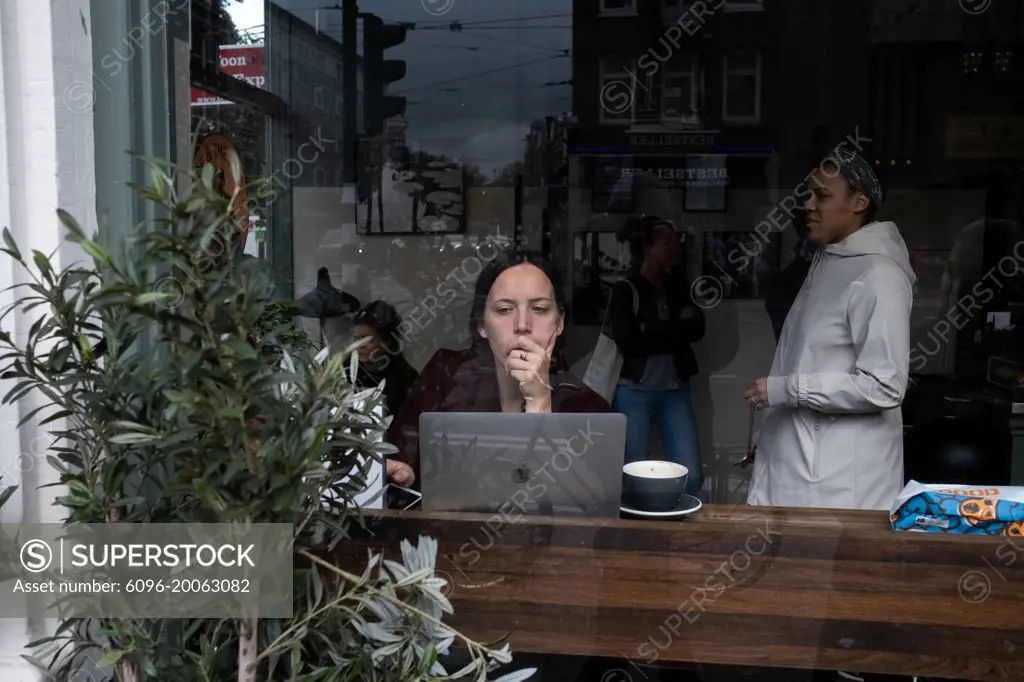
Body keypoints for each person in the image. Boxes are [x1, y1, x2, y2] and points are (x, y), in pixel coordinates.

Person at [743, 148, 916, 512]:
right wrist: (772, 433)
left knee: (825, 569)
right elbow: (811, 357)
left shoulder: (878, 275)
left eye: (822, 195)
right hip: (803, 466)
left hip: (839, 483)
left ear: (859, 202)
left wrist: (785, 390)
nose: (807, 204)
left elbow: (885, 385)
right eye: (808, 194)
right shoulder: (830, 262)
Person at [384, 251, 609, 488]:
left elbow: (582, 503)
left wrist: (540, 402)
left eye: (540, 309)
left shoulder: (588, 409)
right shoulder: (446, 376)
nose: (522, 325)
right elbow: (400, 458)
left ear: (559, 323)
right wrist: (406, 477)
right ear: (482, 325)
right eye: (504, 310)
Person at [607, 215, 706, 499]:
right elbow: (631, 343)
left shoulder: (678, 286)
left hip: (675, 391)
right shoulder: (625, 290)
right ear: (648, 249)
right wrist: (677, 329)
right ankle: (632, 534)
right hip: (633, 391)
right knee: (631, 473)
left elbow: (698, 329)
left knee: (692, 474)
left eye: (677, 241)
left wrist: (653, 332)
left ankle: (685, 532)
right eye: (668, 242)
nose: (676, 247)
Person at [351, 300, 419, 417]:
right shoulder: (344, 374)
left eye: (367, 340)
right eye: (356, 339)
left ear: (387, 341)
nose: (359, 346)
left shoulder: (406, 379)